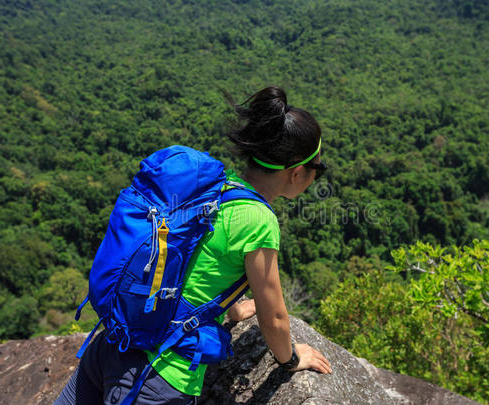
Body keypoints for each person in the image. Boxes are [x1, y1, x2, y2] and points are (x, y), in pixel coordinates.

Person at [54, 86, 331, 405]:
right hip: (158, 377)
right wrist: (292, 359)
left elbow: (189, 259)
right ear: (297, 173)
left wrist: (229, 307)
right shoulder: (259, 221)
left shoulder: (216, 189)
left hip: (112, 346)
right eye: (317, 170)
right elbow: (275, 320)